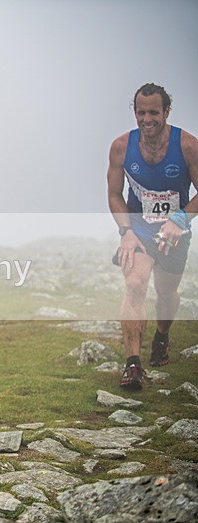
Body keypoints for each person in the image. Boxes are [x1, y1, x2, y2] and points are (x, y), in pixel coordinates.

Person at [107, 82, 198, 391]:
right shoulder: (121, 147)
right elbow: (114, 194)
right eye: (141, 113)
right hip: (139, 231)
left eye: (154, 113)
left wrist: (180, 218)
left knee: (166, 294)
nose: (147, 119)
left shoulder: (187, 146)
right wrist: (126, 232)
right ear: (135, 112)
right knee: (135, 286)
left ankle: (162, 336)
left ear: (166, 111)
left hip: (175, 233)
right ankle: (133, 364)